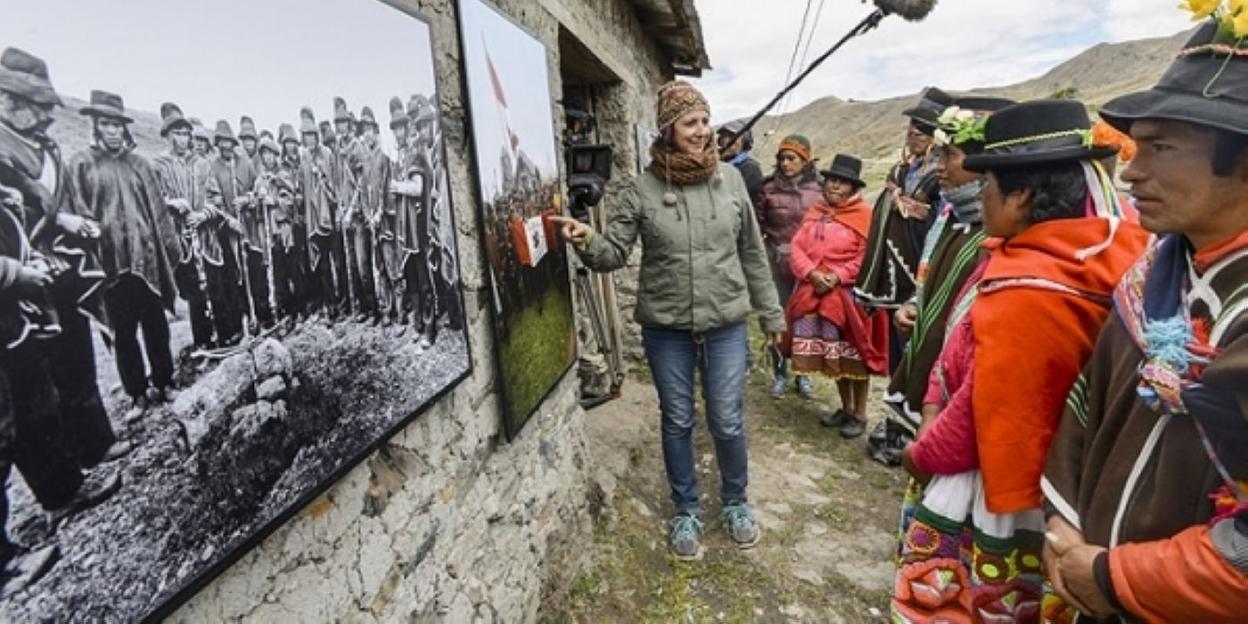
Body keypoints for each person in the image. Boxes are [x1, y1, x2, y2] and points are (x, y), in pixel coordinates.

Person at [890, 100, 1149, 623]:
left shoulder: (1031, 291)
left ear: (1023, 195)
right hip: (1061, 490)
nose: (980, 196)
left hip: (1000, 494)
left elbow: (991, 403)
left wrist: (922, 452)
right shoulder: (1095, 255)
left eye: (988, 185)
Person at [1041, 16, 1248, 622]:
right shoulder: (1147, 275)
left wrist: (1114, 575)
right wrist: (1064, 530)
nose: (1130, 173)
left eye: (1159, 148)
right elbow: (1088, 403)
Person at [555, 80, 784, 560]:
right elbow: (612, 253)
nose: (702, 132)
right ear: (667, 130)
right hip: (667, 328)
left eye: (705, 121)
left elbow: (752, 254)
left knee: (726, 419)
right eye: (690, 123)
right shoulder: (642, 189)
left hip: (725, 322)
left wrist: (771, 314)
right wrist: (584, 239)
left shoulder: (732, 181)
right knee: (678, 418)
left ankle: (737, 502)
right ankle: (686, 509)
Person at [872, 96, 1014, 466]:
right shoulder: (955, 221)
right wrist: (914, 307)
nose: (937, 168)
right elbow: (933, 283)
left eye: (948, 155)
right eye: (936, 155)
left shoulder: (999, 235)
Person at [0, 48, 122, 468]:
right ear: (8, 102)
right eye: (36, 107)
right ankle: (67, 470)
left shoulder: (46, 146)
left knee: (77, 358)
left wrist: (70, 221)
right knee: (39, 382)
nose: (44, 117)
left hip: (62, 266)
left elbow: (55, 204)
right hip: (21, 284)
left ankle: (96, 443)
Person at [66, 90, 182, 408]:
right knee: (123, 333)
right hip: (111, 266)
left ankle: (165, 380)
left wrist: (167, 250)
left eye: (118, 124)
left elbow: (158, 213)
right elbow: (76, 210)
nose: (114, 131)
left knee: (156, 327)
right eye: (106, 124)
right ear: (95, 126)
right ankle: (137, 393)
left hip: (146, 262)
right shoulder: (81, 165)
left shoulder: (139, 165)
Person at [784, 154, 888, 438]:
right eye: (831, 181)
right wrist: (811, 273)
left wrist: (837, 276)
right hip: (816, 289)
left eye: (842, 183)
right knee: (836, 354)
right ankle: (845, 407)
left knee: (854, 352)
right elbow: (797, 248)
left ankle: (860, 413)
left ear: (853, 188)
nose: (834, 187)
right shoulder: (816, 211)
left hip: (850, 295)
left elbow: (866, 256)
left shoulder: (865, 216)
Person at [856, 87, 951, 373]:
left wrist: (921, 210)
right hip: (894, 269)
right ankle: (896, 409)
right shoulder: (903, 170)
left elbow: (946, 217)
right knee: (896, 345)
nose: (913, 138)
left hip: (921, 264)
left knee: (918, 343)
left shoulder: (943, 173)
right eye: (910, 132)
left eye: (920, 133)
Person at [756, 134, 824, 400]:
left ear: (805, 159)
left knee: (804, 321)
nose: (785, 163)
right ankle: (780, 373)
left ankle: (803, 374)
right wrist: (766, 255)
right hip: (776, 265)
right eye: (781, 158)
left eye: (791, 158)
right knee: (777, 319)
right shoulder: (768, 189)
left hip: (807, 268)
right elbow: (757, 227)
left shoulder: (820, 189)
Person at [151, 102, 213, 350]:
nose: (184, 138)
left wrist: (203, 214)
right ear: (167, 135)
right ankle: (198, 344)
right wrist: (171, 203)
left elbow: (214, 196)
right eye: (178, 133)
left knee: (210, 289)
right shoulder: (157, 165)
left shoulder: (201, 164)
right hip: (176, 239)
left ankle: (211, 339)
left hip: (206, 237)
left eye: (187, 133)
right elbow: (152, 200)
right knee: (189, 292)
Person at [209, 119, 270, 332]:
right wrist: (227, 219)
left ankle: (264, 317)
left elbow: (258, 187)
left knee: (257, 273)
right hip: (228, 233)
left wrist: (247, 199)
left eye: (229, 143)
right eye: (221, 144)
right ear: (217, 145)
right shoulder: (212, 168)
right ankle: (243, 324)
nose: (226, 147)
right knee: (235, 279)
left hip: (250, 228)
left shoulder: (244, 163)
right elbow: (212, 201)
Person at [299, 106, 340, 320]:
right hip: (313, 220)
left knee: (338, 261)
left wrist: (321, 176)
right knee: (321, 264)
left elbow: (334, 185)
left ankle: (345, 303)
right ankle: (329, 305)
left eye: (312, 136)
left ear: (317, 136)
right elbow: (302, 189)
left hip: (329, 218)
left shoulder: (327, 154)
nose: (309, 140)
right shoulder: (303, 158)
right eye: (305, 137)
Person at [716, 120, 763, 204]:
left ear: (744, 142)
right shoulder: (717, 165)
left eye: (731, 136)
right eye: (723, 136)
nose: (726, 141)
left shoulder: (751, 169)